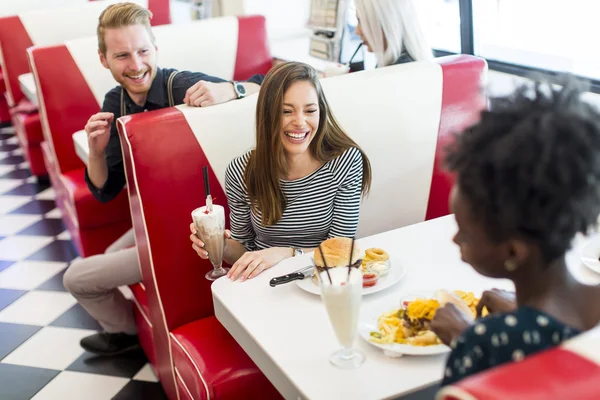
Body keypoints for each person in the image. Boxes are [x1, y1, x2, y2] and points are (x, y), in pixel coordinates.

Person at [63, 2, 264, 356]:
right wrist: (95, 152)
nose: (136, 65)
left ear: (155, 48)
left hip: (202, 231)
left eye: (143, 51)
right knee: (111, 251)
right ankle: (139, 328)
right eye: (122, 55)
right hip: (154, 223)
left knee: (75, 278)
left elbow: (269, 86)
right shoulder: (115, 101)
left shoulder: (181, 86)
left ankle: (127, 333)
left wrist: (233, 90)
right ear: (103, 59)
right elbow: (106, 191)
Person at [430, 78, 600, 385]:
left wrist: (469, 339)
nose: (455, 239)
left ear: (513, 252)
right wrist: (523, 314)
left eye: (464, 234)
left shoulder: (484, 345)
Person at [190, 62, 372, 281]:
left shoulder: (345, 162)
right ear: (268, 115)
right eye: (286, 111)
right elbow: (243, 250)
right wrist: (218, 244)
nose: (300, 122)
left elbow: (340, 251)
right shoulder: (241, 171)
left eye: (310, 110)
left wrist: (286, 254)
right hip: (264, 283)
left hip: (324, 281)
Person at [355, 0, 433, 67]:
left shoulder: (397, 73)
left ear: (387, 23)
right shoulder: (407, 65)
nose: (357, 31)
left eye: (362, 22)